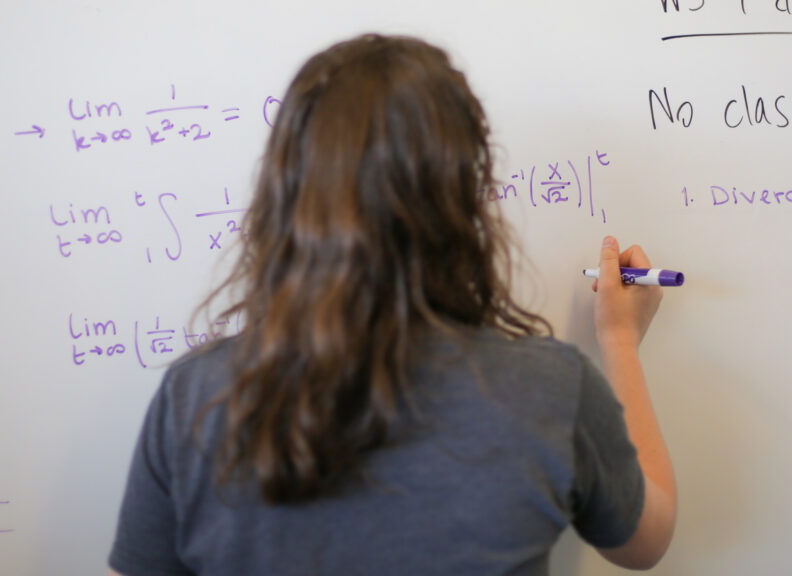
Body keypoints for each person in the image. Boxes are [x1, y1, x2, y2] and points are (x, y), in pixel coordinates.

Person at [109, 33, 676, 575]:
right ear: (461, 203)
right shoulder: (552, 389)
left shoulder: (194, 400)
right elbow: (647, 540)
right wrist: (621, 342)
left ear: (287, 197)